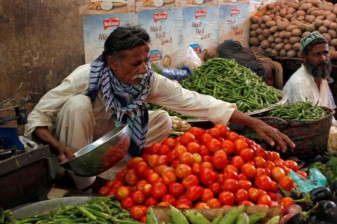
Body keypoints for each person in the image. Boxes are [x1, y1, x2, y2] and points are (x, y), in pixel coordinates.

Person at [24, 26, 295, 189]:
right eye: (135, 64)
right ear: (112, 63)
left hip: (108, 139)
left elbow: (197, 102)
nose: (144, 69)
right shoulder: (86, 77)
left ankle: (111, 173)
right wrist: (60, 149)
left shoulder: (147, 80)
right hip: (74, 144)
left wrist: (255, 122)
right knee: (77, 105)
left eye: (146, 61)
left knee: (163, 120)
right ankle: (84, 183)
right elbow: (38, 118)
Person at [283, 32, 336, 110]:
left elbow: (330, 110)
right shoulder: (299, 83)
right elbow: (308, 119)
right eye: (317, 54)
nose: (323, 58)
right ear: (304, 57)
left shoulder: (321, 76)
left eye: (326, 53)